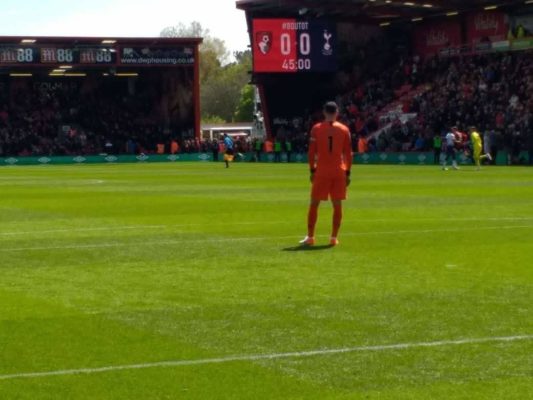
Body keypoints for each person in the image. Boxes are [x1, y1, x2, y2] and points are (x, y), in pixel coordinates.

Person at [300, 101, 352, 247]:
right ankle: (333, 238)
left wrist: (312, 170)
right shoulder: (344, 129)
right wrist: (348, 172)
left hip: (322, 171)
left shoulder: (316, 128)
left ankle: (310, 237)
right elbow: (348, 154)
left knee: (314, 203)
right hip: (339, 171)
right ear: (337, 112)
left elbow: (311, 152)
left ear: (324, 112)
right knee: (337, 204)